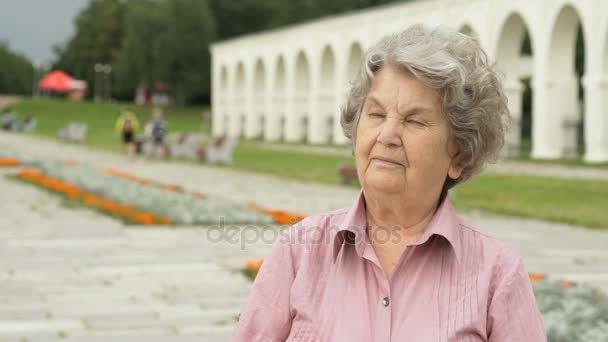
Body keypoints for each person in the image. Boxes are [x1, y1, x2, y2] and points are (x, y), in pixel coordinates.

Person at [231, 25, 547, 341]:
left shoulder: (498, 275)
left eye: (414, 120)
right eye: (376, 114)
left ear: (459, 156)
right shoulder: (299, 252)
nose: (387, 136)